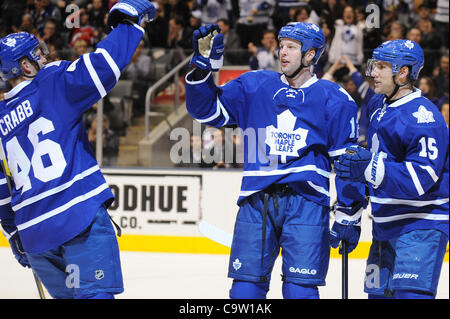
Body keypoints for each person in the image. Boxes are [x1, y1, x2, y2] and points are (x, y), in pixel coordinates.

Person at [185, 22, 366, 299]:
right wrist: (203, 70)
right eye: (281, 46)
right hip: (256, 201)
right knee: (245, 291)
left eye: (292, 47)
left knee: (299, 292)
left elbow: (347, 163)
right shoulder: (254, 84)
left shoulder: (335, 98)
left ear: (310, 55)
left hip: (307, 203)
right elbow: (206, 111)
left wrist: (349, 213)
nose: (283, 52)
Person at [0, 0, 155, 299]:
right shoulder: (52, 81)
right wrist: (129, 24)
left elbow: (0, 187)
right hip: (77, 218)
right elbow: (104, 66)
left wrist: (13, 232)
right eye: (35, 54)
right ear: (24, 65)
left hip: (35, 235)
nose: (43, 56)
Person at [335, 39, 449, 299]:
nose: (373, 72)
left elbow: (421, 178)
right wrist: (349, 214)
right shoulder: (378, 107)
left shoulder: (424, 117)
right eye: (373, 65)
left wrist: (369, 166)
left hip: (420, 225)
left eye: (381, 66)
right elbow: (363, 165)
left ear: (403, 72)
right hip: (384, 226)